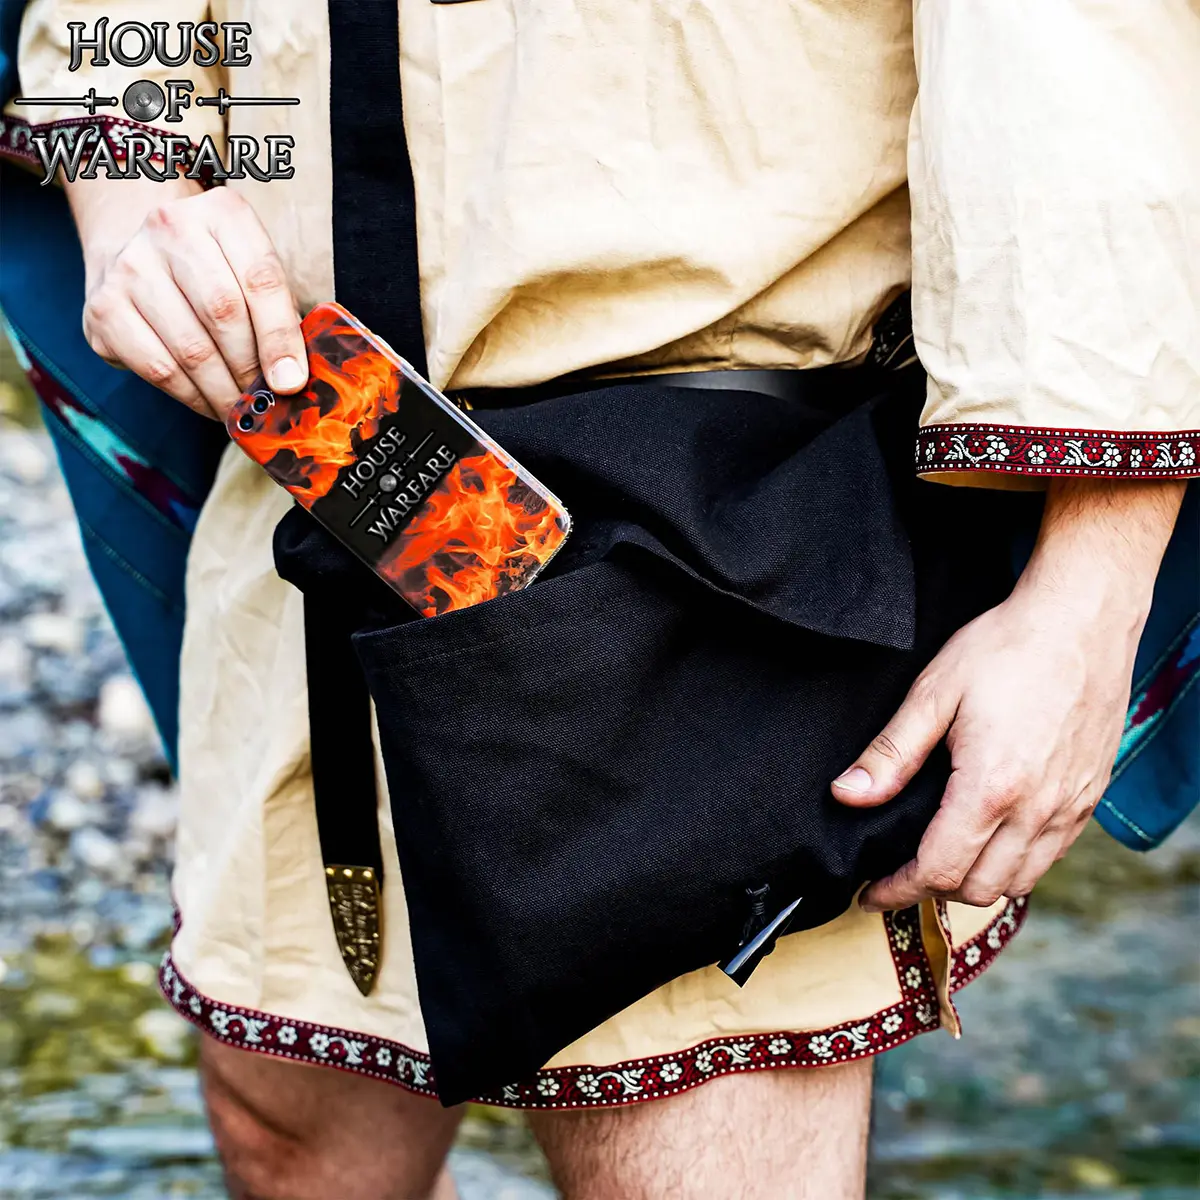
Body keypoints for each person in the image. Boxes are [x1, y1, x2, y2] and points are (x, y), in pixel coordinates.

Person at [8, 1, 1198, 1197]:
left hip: (720, 563)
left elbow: (1084, 63)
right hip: (315, 461)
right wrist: (132, 201)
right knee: (292, 1139)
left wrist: (1088, 596)